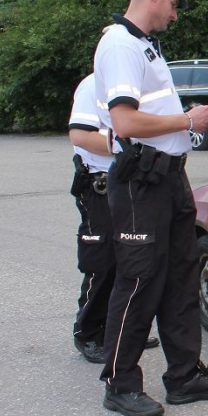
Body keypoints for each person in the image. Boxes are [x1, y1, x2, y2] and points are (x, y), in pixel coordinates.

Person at [92, 0, 208, 416]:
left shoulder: (143, 46)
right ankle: (120, 384)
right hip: (142, 182)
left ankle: (184, 375)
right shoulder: (120, 45)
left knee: (181, 277)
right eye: (174, 4)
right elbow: (125, 122)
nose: (175, 14)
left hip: (167, 176)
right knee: (139, 281)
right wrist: (187, 121)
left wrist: (181, 135)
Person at [68, 73, 159, 364]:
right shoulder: (93, 85)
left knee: (133, 261)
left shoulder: (141, 87)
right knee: (102, 262)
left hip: (135, 184)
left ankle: (123, 330)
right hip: (101, 184)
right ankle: (90, 333)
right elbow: (80, 134)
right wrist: (123, 144)